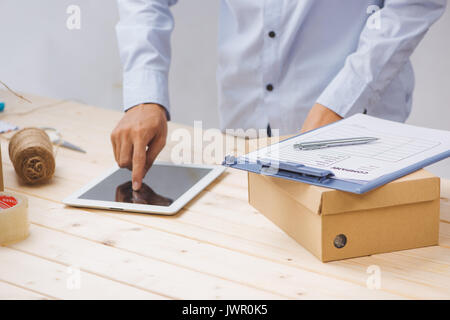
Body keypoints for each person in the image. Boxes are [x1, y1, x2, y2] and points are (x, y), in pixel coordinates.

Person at [111, 0, 446, 191]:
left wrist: (342, 100)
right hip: (246, 123)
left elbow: (414, 5)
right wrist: (145, 94)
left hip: (356, 127)